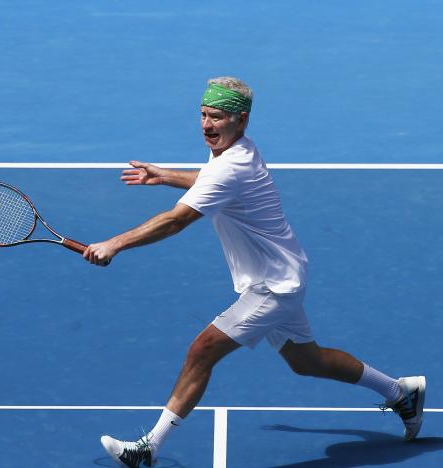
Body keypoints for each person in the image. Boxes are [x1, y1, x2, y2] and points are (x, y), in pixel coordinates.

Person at [84, 77, 426, 467]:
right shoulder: (236, 152)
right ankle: (400, 392)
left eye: (217, 117)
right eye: (202, 115)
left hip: (272, 287)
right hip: (284, 273)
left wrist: (114, 243)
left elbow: (176, 220)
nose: (207, 125)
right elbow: (210, 181)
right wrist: (165, 175)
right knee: (308, 361)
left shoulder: (229, 166)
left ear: (240, 119)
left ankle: (148, 448)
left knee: (202, 351)